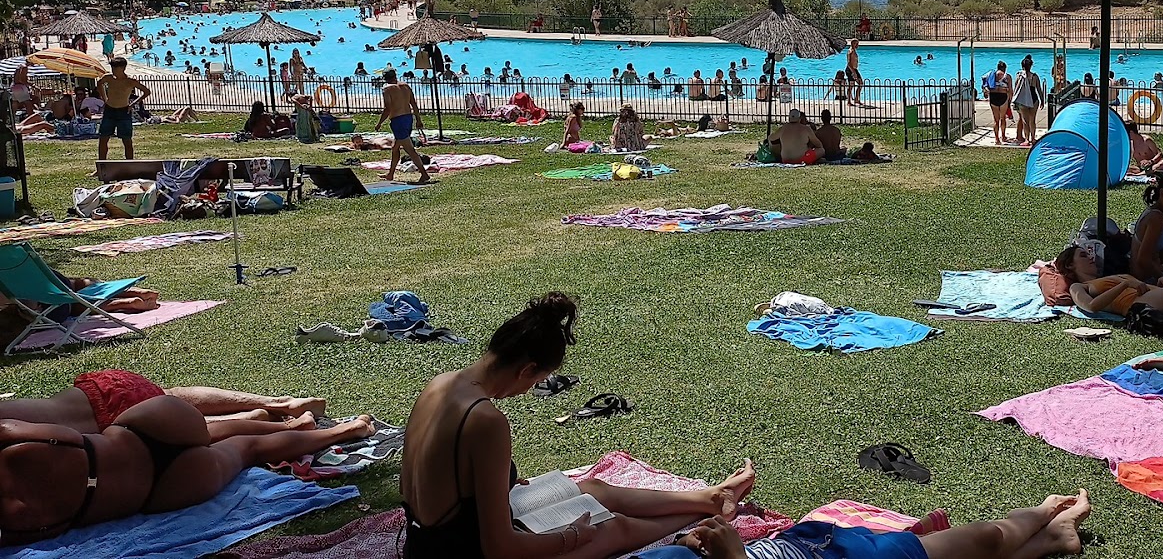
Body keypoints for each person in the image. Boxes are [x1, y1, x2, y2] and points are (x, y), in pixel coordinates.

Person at [401, 293, 761, 559]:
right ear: (527, 370)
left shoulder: (441, 384)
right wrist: (572, 537)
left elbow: (433, 478)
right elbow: (500, 547)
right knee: (610, 527)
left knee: (592, 489)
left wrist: (501, 481)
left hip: (427, 540)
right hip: (462, 552)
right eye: (537, 380)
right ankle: (705, 518)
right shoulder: (486, 420)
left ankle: (710, 498)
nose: (530, 389)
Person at [0, 395, 373, 543]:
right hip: (143, 429)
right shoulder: (9, 437)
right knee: (209, 432)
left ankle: (343, 431)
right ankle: (291, 424)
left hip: (162, 490)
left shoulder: (13, 522)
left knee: (248, 450)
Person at [657, 491, 1091, 559]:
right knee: (984, 537)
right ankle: (1041, 517)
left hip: (808, 543)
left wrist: (691, 541)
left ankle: (1052, 536)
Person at [0, 370, 329, 443]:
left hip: (108, 425)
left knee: (184, 435)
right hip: (103, 387)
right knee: (169, 395)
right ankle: (276, 403)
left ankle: (255, 420)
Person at [377, 68, 432, 184]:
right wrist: (418, 120)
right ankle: (390, 174)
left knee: (410, 150)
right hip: (408, 118)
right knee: (395, 147)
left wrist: (379, 123)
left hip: (398, 121)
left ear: (385, 78)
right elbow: (414, 104)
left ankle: (424, 174)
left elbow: (388, 108)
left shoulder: (387, 89)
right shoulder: (405, 86)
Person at [96, 57, 151, 161]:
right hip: (109, 110)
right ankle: (101, 165)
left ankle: (129, 164)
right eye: (112, 68)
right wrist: (104, 98)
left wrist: (133, 104)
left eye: (115, 68)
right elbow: (99, 83)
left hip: (124, 111)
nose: (113, 70)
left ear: (123, 68)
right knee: (103, 138)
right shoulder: (109, 78)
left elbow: (146, 91)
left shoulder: (130, 81)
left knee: (127, 140)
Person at [1011, 55, 1043, 146]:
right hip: (1034, 99)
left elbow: (1016, 88)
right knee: (1032, 120)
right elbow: (1039, 89)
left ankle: (1027, 139)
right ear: (1031, 66)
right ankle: (1033, 138)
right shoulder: (1035, 77)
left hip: (1023, 100)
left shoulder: (1019, 76)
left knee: (1025, 121)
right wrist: (1042, 100)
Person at [982, 61, 1012, 145]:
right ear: (1005, 68)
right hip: (1003, 97)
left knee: (996, 120)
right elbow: (1010, 90)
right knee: (1003, 118)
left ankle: (996, 139)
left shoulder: (991, 75)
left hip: (993, 97)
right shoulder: (1007, 76)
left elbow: (985, 86)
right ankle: (1003, 136)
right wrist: (1010, 100)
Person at [844, 38, 864, 106]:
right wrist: (853, 72)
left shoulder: (854, 50)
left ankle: (856, 99)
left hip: (855, 69)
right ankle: (849, 101)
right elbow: (849, 63)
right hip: (851, 70)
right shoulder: (850, 51)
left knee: (860, 83)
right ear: (853, 43)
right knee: (851, 85)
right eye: (856, 43)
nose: (858, 45)